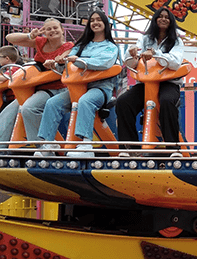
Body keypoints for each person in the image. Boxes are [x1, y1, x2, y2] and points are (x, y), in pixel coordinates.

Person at [35, 10, 119, 157]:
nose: (95, 22)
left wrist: (79, 61)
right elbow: (66, 66)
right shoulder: (81, 45)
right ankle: (46, 144)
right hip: (77, 87)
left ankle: (85, 144)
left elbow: (103, 63)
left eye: (99, 19)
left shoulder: (111, 47)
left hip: (99, 88)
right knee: (52, 103)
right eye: (92, 20)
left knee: (85, 101)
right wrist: (56, 64)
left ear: (105, 24)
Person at [117, 7, 185, 157]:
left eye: (167, 17)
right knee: (123, 102)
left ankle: (173, 148)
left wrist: (155, 53)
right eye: (160, 16)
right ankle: (130, 148)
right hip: (145, 83)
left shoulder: (176, 40)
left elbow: (175, 62)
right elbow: (130, 63)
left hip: (169, 83)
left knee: (167, 102)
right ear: (154, 20)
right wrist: (131, 54)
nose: (163, 19)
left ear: (171, 21)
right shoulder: (144, 38)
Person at [0, 19, 73, 152]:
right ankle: (3, 149)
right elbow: (9, 37)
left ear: (62, 29)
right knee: (7, 113)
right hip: (34, 88)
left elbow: (64, 57)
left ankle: (43, 147)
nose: (52, 31)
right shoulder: (40, 42)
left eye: (55, 28)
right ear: (44, 32)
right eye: (48, 29)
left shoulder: (68, 46)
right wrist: (30, 35)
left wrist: (58, 61)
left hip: (55, 88)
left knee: (28, 108)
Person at [0, 45, 23, 112]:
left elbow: (4, 78)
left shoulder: (14, 68)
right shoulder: (8, 69)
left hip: (15, 99)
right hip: (9, 98)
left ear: (7, 58)